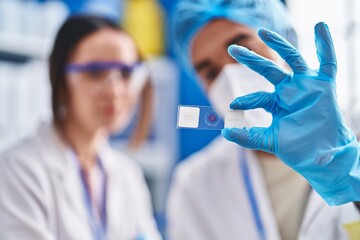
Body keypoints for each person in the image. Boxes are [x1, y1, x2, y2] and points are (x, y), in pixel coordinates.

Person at [167, 0, 359, 240]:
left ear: (287, 42)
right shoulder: (194, 184)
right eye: (210, 72)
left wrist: (353, 179)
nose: (230, 76)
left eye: (245, 52)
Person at [0, 15, 161, 240]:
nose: (114, 91)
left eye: (125, 73)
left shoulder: (127, 175)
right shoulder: (18, 170)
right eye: (95, 72)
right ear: (61, 80)